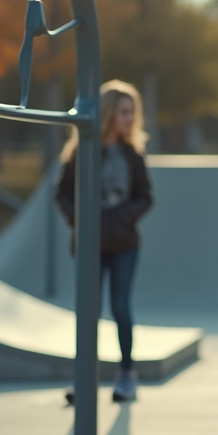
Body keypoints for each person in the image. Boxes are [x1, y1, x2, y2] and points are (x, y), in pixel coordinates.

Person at [56, 80, 153, 403]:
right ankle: (83, 377)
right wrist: (82, 219)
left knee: (121, 308)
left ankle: (126, 374)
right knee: (89, 310)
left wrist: (120, 217)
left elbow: (146, 197)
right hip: (87, 245)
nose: (130, 118)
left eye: (132, 112)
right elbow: (62, 194)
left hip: (124, 245)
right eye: (124, 112)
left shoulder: (132, 154)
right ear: (109, 112)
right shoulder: (82, 152)